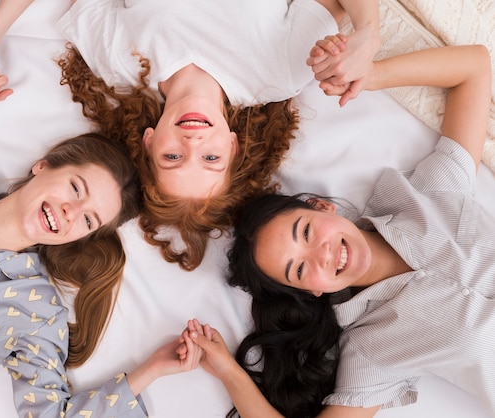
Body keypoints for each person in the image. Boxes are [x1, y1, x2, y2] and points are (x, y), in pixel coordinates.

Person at [0, 0, 381, 271]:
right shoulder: (279, 75)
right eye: (210, 160)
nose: (193, 144)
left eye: (173, 159)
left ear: (150, 143)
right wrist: (368, 36)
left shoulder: (118, 62)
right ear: (232, 145)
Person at [0, 65, 203, 417]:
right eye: (76, 188)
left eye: (88, 220)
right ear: (43, 166)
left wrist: (149, 371)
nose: (71, 212)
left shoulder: (36, 312)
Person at [183, 44, 494, 418]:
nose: (322, 255)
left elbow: (474, 67)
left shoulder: (428, 196)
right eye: (299, 269)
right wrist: (230, 373)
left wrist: (370, 74)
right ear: (312, 290)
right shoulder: (372, 349)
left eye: (308, 233)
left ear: (321, 207)